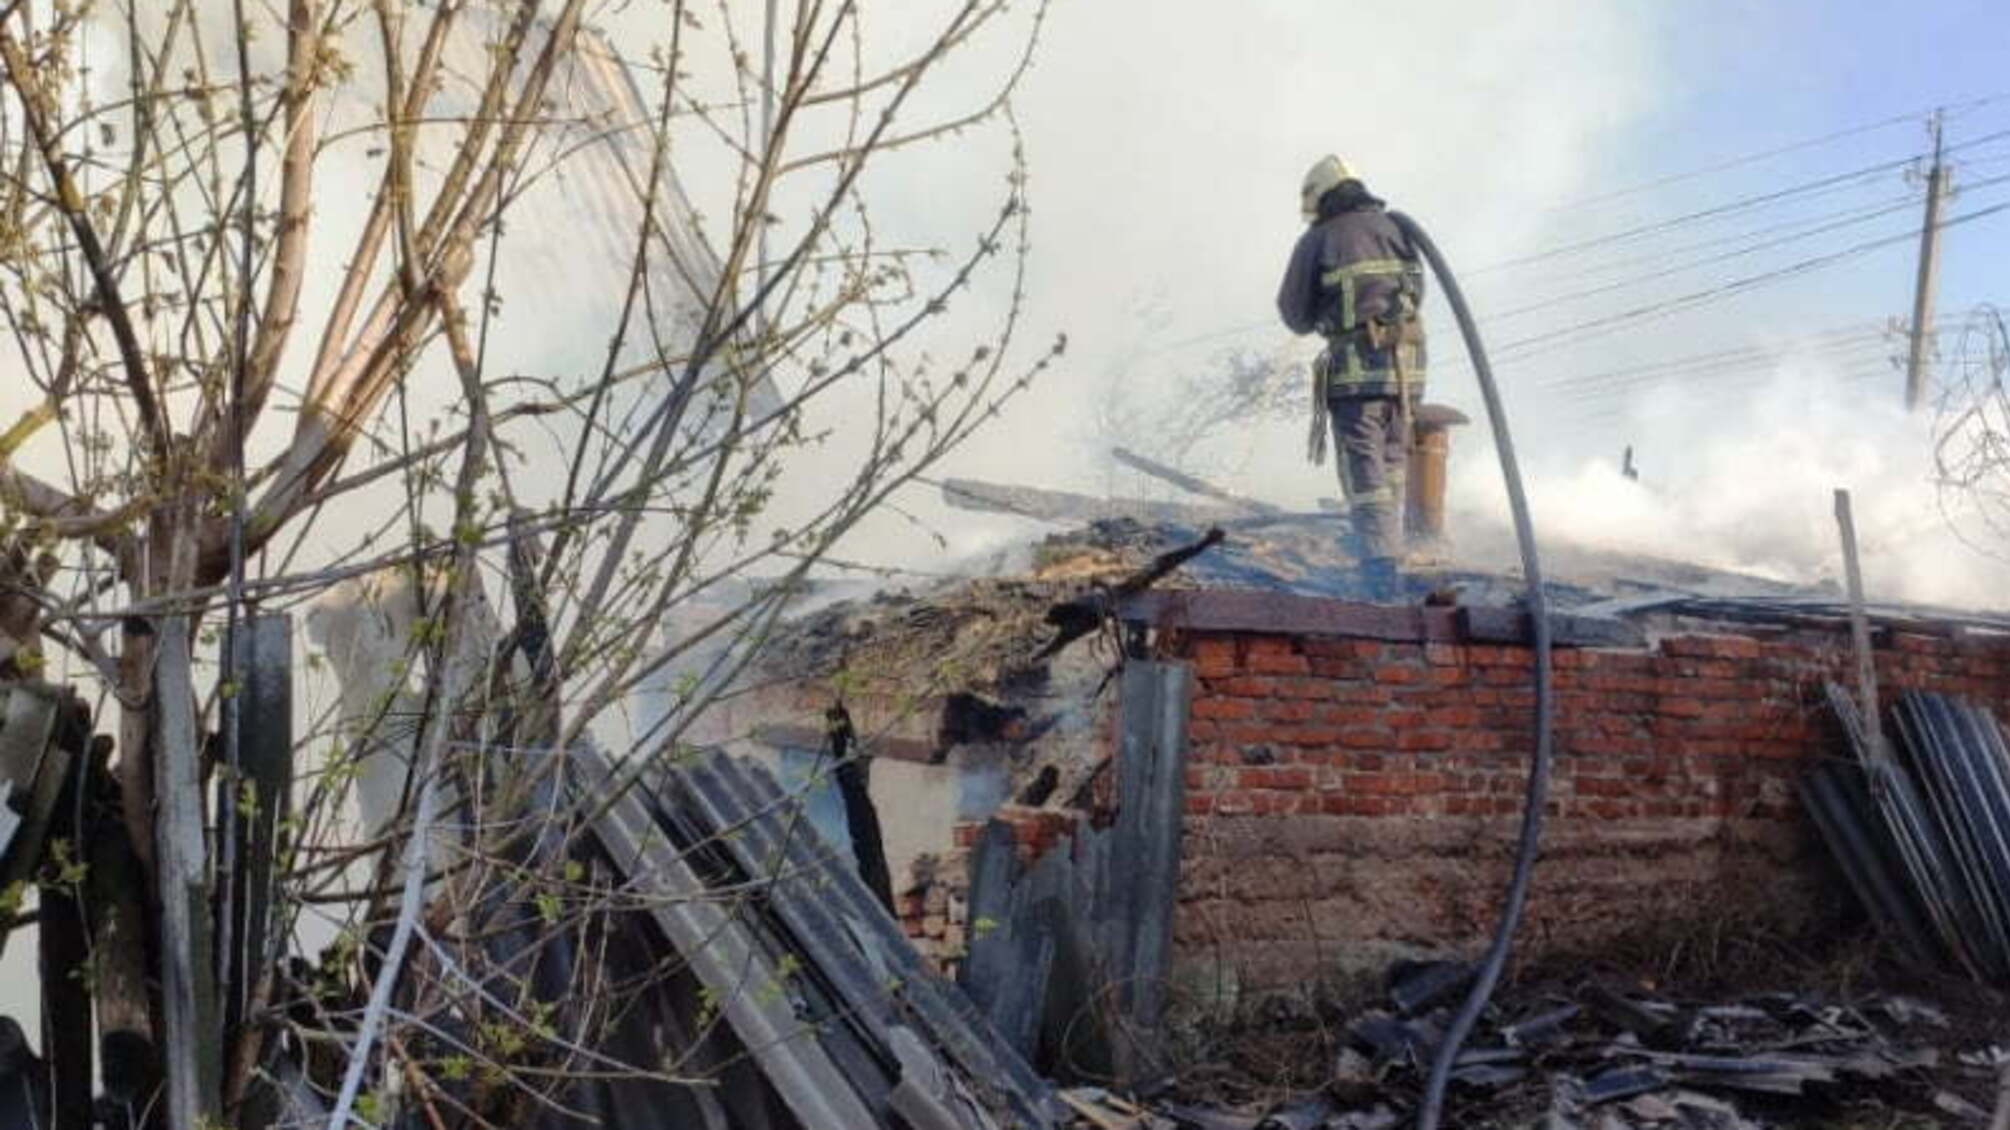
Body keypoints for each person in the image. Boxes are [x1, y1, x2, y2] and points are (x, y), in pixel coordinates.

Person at [1276, 154, 1426, 601]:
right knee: (1394, 460)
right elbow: (1418, 292)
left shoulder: (1319, 239)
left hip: (1356, 374)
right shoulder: (1398, 229)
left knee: (1364, 469)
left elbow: (1295, 314)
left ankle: (1380, 565)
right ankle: (1397, 547)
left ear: (1321, 199)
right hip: (1408, 372)